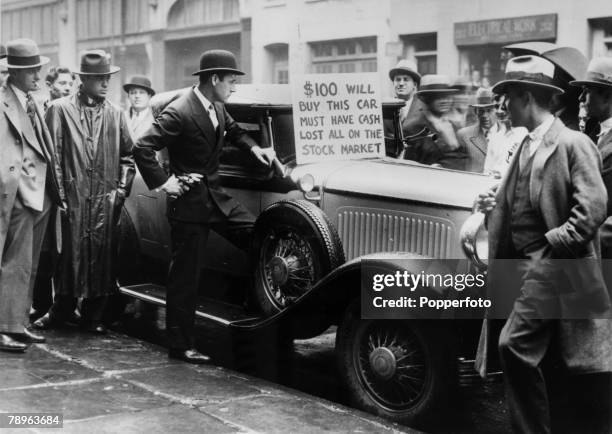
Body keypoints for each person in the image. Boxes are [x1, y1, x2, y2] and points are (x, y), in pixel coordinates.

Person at [475, 55, 612, 434]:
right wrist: (491, 210)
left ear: (526, 97)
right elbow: (517, 205)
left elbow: (592, 210)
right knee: (548, 364)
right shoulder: (523, 146)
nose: (501, 106)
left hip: (555, 272)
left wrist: (552, 247)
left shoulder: (573, 143)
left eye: (507, 97)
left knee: (512, 347)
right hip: (524, 271)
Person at [134, 49, 275, 364]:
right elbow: (142, 145)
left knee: (260, 237)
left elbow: (235, 132)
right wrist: (163, 182)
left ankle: (253, 317)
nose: (235, 87)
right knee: (185, 277)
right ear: (214, 79)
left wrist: (256, 150)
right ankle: (180, 345)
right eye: (231, 81)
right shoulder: (180, 111)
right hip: (189, 206)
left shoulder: (217, 107)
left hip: (217, 200)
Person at [33, 50, 135, 334]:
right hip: (72, 197)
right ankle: (60, 310)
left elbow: (128, 156)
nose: (106, 83)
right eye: (100, 78)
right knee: (69, 257)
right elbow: (52, 155)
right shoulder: (60, 109)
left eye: (107, 78)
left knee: (101, 258)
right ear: (85, 79)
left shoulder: (115, 113)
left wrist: (120, 192)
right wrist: (61, 197)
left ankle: (93, 316)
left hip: (105, 198)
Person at [0, 39, 64, 352]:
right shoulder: (3, 100)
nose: (37, 75)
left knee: (28, 262)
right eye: (31, 70)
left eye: (38, 69)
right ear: (14, 72)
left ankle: (18, 322)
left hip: (40, 193)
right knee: (12, 261)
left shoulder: (32, 99)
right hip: (15, 193)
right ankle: (4, 326)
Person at [30, 65, 76, 321]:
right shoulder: (43, 109)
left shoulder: (74, 111)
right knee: (45, 249)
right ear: (51, 85)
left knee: (65, 250)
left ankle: (64, 305)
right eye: (62, 83)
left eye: (70, 83)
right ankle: (40, 303)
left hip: (67, 188)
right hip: (44, 190)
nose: (67, 87)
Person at [457, 87, 527, 175]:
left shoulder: (518, 133)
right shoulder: (464, 135)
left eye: (489, 110)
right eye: (481, 111)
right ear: (476, 112)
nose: (484, 116)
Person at [408, 74, 464, 168]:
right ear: (427, 99)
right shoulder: (413, 129)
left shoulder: (454, 126)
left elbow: (463, 159)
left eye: (447, 96)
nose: (444, 101)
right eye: (438, 97)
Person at [123, 75, 155, 140]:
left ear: (149, 96)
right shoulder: (121, 117)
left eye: (142, 92)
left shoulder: (156, 119)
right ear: (128, 96)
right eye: (133, 93)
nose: (137, 96)